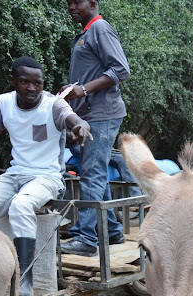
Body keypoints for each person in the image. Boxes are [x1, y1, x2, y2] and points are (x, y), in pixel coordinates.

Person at [0, 57, 92, 296]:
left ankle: (24, 280)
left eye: (37, 83)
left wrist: (80, 126)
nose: (31, 88)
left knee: (21, 205)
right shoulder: (3, 103)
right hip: (15, 173)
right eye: (24, 82)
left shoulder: (53, 105)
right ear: (13, 81)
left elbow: (72, 118)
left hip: (47, 177)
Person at [59, 0, 130, 257]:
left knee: (92, 172)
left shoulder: (100, 28)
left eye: (77, 2)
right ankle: (111, 230)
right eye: (68, 3)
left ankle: (86, 238)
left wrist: (85, 89)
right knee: (95, 170)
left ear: (93, 3)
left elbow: (121, 69)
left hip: (102, 114)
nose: (71, 7)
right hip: (88, 114)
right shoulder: (86, 33)